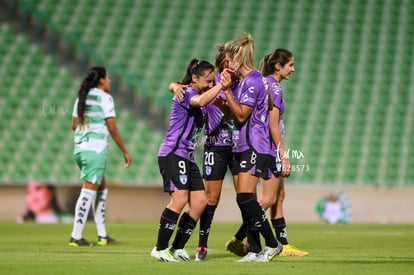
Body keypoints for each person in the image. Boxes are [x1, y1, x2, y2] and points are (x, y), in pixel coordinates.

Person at [151, 59, 232, 262]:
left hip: (187, 156)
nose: (211, 84)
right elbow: (199, 101)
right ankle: (159, 248)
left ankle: (177, 247)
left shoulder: (197, 93)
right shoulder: (188, 93)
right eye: (208, 81)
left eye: (213, 81)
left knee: (200, 202)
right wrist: (221, 85)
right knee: (178, 200)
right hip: (173, 152)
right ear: (194, 78)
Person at [170, 45, 240, 261]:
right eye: (233, 60)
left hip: (239, 146)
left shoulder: (244, 82)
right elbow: (185, 89)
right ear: (223, 64)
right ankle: (202, 245)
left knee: (246, 198)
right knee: (211, 199)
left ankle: (251, 244)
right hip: (215, 144)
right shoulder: (211, 83)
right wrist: (173, 85)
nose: (237, 64)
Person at [220, 32, 282, 262]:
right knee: (244, 199)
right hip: (244, 144)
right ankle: (255, 250)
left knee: (246, 197)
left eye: (229, 60)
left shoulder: (254, 80)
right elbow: (238, 115)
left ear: (238, 59)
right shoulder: (248, 82)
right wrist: (223, 100)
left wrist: (226, 91)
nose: (227, 64)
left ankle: (273, 244)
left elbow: (243, 115)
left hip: (255, 144)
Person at [69, 66, 131, 247]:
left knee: (101, 187)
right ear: (101, 80)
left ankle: (102, 235)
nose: (110, 81)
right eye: (108, 78)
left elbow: (74, 124)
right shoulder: (105, 98)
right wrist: (125, 151)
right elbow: (112, 127)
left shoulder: (82, 97)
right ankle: (76, 235)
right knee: (88, 190)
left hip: (80, 149)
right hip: (95, 150)